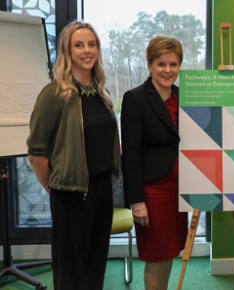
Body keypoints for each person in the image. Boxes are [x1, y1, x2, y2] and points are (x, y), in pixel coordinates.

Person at [27, 21, 120, 290]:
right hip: (71, 195)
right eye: (78, 45)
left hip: (102, 191)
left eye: (91, 44)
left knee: (95, 264)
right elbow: (36, 153)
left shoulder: (100, 92)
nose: (86, 50)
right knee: (71, 272)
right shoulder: (54, 93)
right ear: (67, 51)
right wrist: (57, 187)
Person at [121, 35, 188, 290]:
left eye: (173, 64)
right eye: (161, 64)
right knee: (155, 257)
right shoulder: (135, 98)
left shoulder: (184, 97)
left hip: (179, 190)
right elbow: (131, 155)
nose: (167, 70)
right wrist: (137, 202)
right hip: (153, 192)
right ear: (150, 65)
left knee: (170, 251)